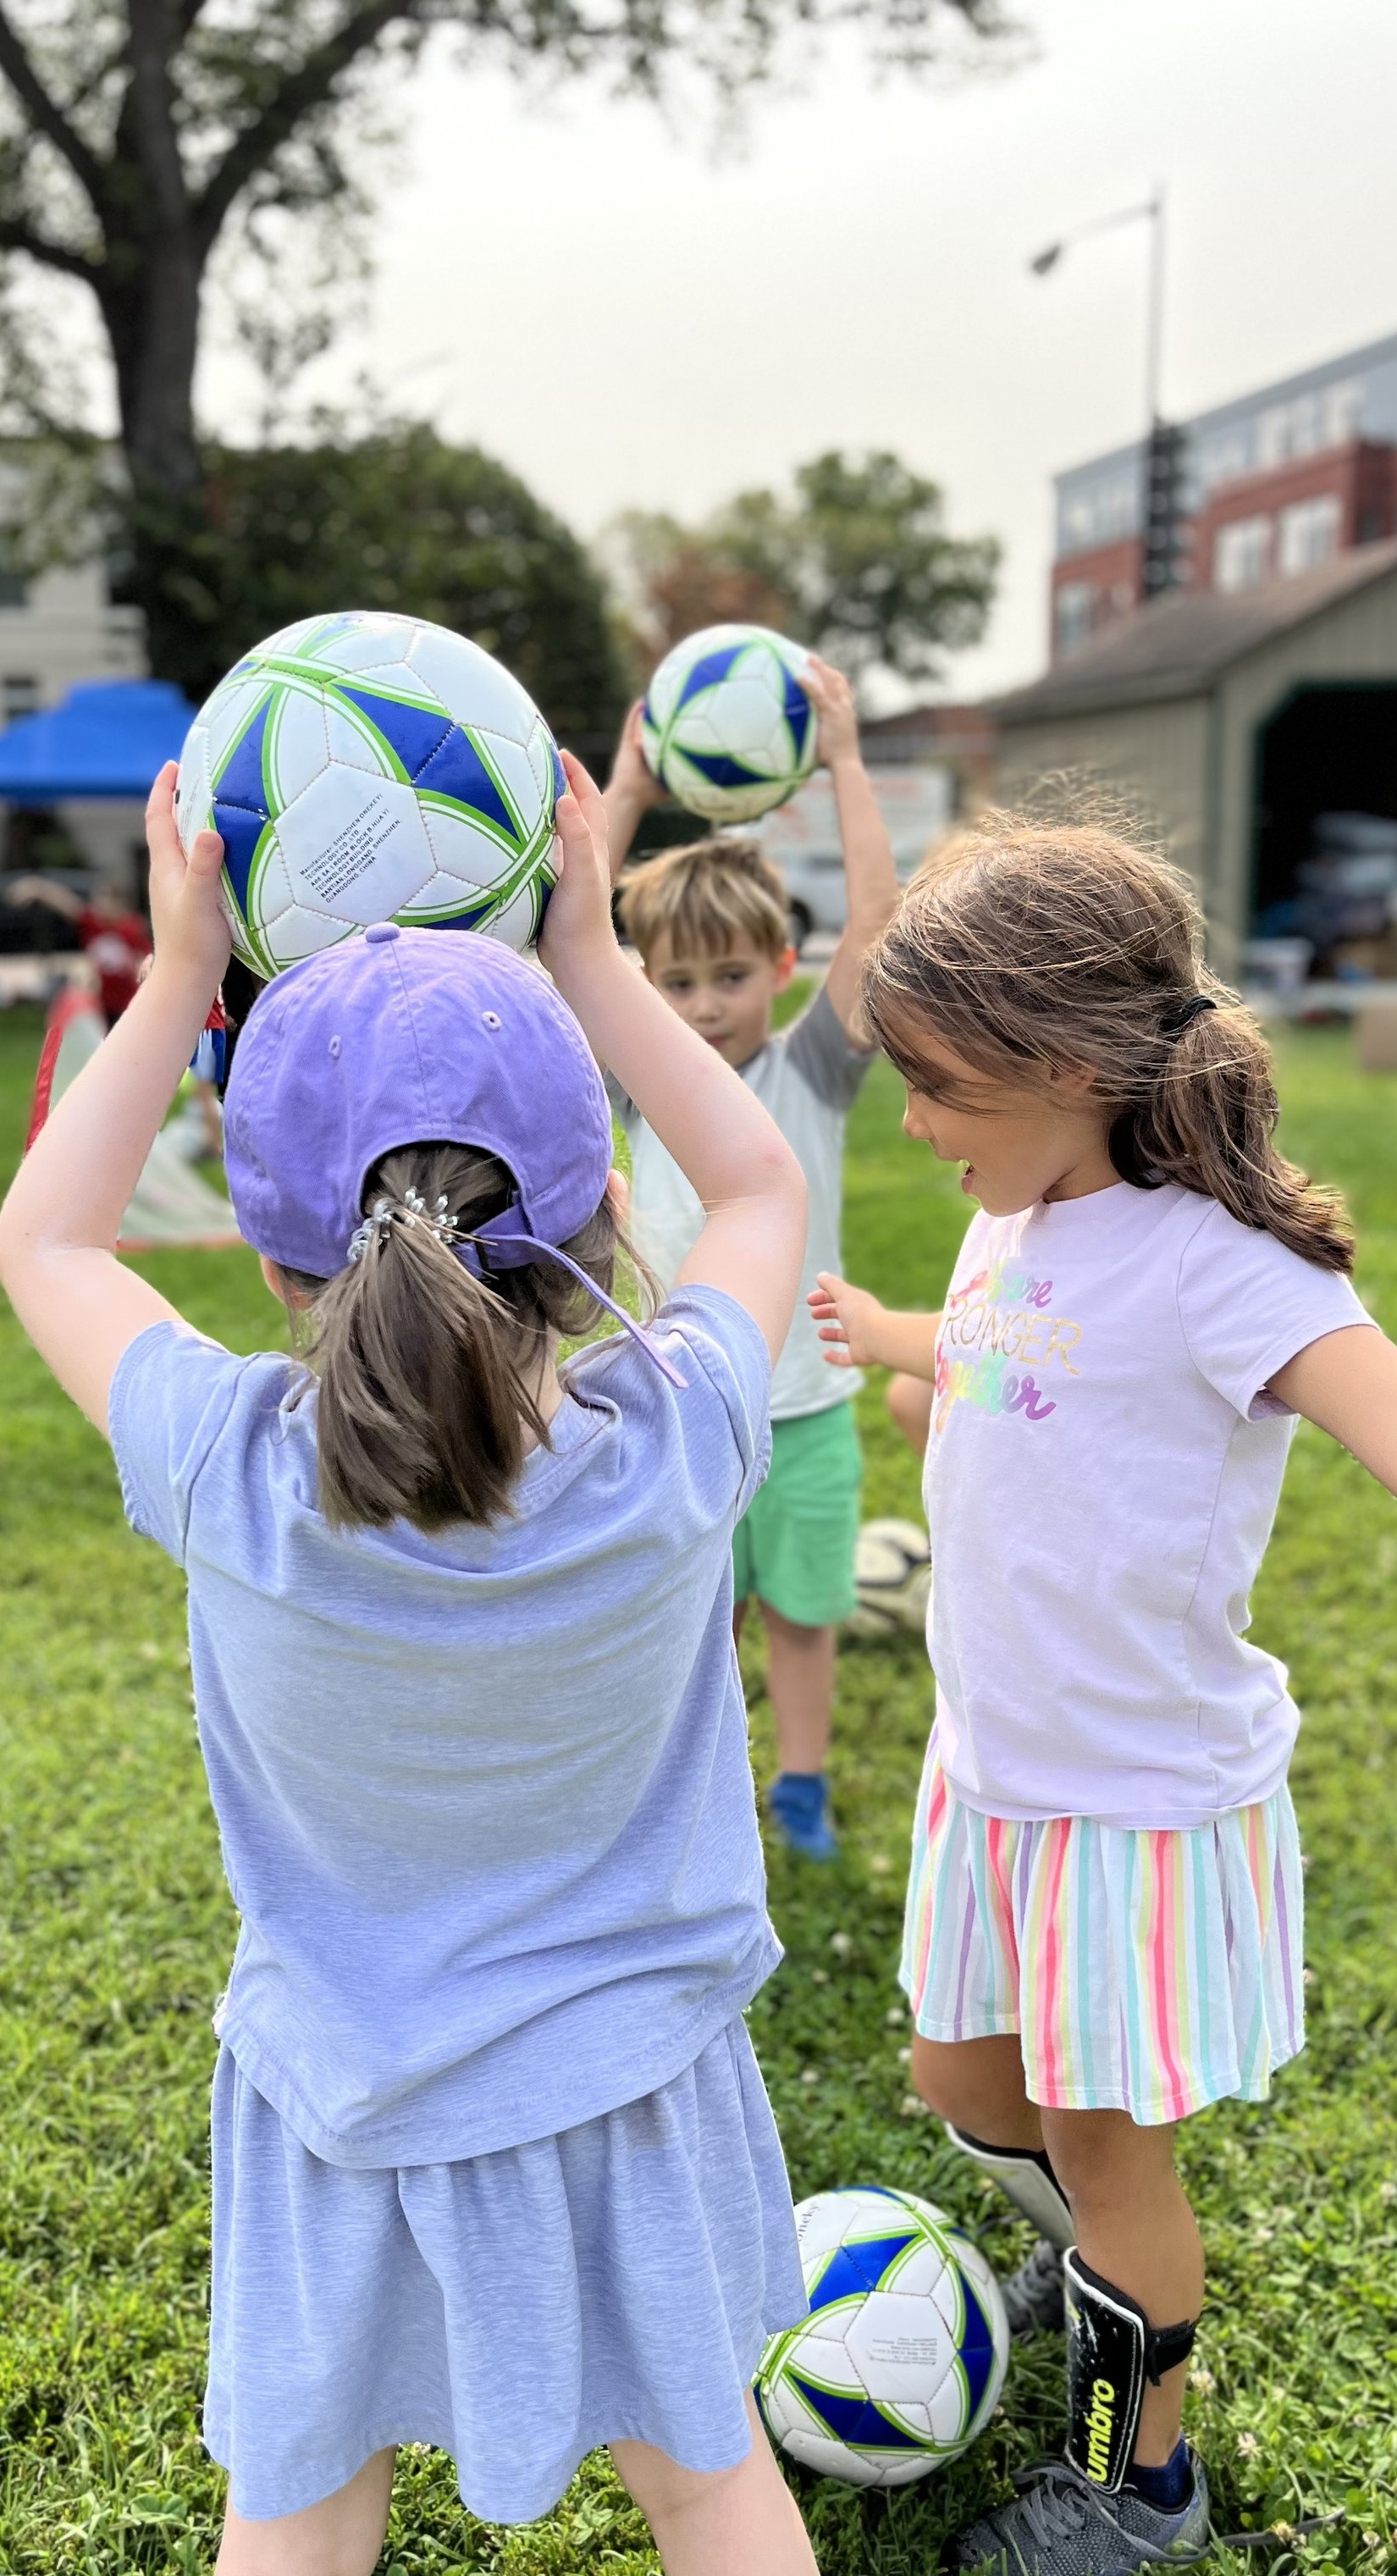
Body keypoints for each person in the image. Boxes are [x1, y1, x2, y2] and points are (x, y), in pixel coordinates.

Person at [0, 757, 991, 2576]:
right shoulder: (680, 1437)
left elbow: (47, 1232)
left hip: (339, 2109)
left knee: (288, 2567)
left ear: (273, 1247)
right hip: (630, 2097)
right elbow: (762, 1193)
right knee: (714, 2485)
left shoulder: (228, 1473)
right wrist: (593, 955)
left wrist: (185, 971)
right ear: (592, 1204)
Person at [810, 811, 1397, 2576]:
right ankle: (1109, 2286)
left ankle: (1128, 2474)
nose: (907, 1121)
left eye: (932, 1083)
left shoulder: (1223, 1263)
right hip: (991, 1781)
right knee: (947, 2076)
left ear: (1066, 1063)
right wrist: (900, 1344)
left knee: (1095, 2152)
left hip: (1127, 1809)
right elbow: (1015, 1361)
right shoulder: (1021, 1206)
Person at [602, 661, 897, 1863]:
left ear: (780, 969)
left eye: (729, 977)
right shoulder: (633, 1074)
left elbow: (880, 923)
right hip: (685, 1412)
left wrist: (843, 762)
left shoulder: (814, 1069)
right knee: (698, 1626)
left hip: (812, 1413)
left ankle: (804, 1788)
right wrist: (623, 785)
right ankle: (707, 1792)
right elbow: (564, 928)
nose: (704, 1003)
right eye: (673, 982)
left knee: (805, 1618)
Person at [6, 868, 149, 1024]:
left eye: (109, 900)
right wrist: (36, 888)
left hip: (128, 1003)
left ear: (122, 904)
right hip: (101, 1003)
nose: (102, 905)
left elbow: (144, 958)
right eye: (99, 898)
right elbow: (64, 901)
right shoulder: (92, 922)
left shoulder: (132, 928)